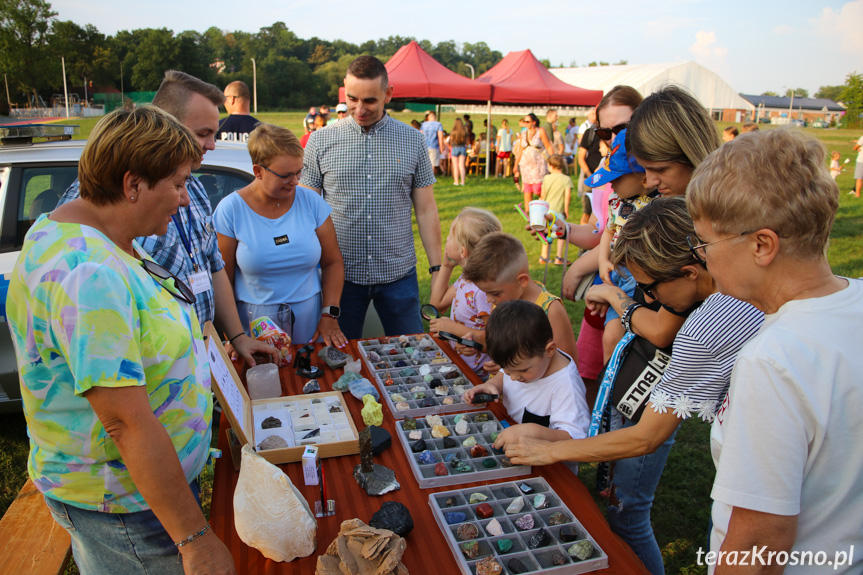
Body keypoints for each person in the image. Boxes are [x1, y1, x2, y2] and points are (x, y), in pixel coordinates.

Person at [8, 105, 238, 575]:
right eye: (177, 184)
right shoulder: (90, 274)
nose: (183, 200)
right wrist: (195, 539)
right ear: (132, 185)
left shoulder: (77, 230)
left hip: (141, 498)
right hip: (128, 509)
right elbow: (125, 423)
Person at [501, 197, 764, 575]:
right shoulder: (744, 278)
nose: (650, 301)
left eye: (650, 290)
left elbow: (646, 437)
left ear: (690, 272)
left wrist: (551, 452)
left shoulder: (704, 328)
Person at [687, 129, 863, 575]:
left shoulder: (772, 360)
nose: (703, 259)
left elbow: (761, 541)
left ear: (762, 245)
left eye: (705, 244)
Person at [56, 70, 277, 366]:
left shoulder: (194, 186)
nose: (212, 144)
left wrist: (236, 336)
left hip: (196, 365)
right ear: (163, 125)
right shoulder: (98, 204)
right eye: (203, 133)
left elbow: (212, 266)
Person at [300, 55, 441, 339]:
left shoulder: (413, 140)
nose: (360, 109)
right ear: (344, 89)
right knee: (341, 356)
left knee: (411, 352)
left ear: (388, 94)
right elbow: (306, 213)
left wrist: (437, 267)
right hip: (341, 277)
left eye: (370, 101)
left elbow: (426, 210)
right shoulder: (320, 141)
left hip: (397, 274)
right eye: (352, 99)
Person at [213, 124, 346, 347]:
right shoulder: (231, 210)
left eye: (298, 172)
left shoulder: (312, 202)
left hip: (310, 322)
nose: (295, 181)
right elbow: (222, 279)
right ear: (258, 171)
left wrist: (329, 315)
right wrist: (234, 335)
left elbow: (333, 263)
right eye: (286, 175)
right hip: (255, 324)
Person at [464, 300, 589, 474]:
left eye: (521, 370)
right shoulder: (523, 358)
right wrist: (491, 385)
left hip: (551, 471)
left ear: (550, 350)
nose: (513, 377)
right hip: (515, 451)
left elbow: (575, 439)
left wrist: (529, 431)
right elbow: (504, 376)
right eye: (507, 369)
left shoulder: (566, 385)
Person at [587, 129, 658, 362]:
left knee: (623, 339)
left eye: (616, 178)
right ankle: (610, 383)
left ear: (645, 178)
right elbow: (608, 231)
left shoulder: (658, 205)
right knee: (611, 337)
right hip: (617, 273)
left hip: (640, 278)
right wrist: (602, 260)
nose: (611, 183)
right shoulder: (616, 200)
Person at [461, 232, 578, 362]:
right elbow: (499, 345)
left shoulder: (551, 310)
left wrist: (511, 368)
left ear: (522, 281)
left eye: (494, 293)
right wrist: (475, 342)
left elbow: (568, 363)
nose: (489, 299)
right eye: (485, 293)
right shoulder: (500, 302)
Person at [428, 207, 502, 376]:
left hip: (479, 376)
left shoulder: (483, 291)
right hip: (460, 365)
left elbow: (495, 339)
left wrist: (452, 327)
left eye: (451, 236)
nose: (447, 238)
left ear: (462, 251)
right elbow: (436, 305)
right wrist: (446, 266)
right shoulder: (466, 279)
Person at [514, 113, 554, 213]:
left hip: (538, 165)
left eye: (527, 121)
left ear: (534, 122)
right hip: (526, 165)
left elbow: (548, 146)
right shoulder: (523, 133)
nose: (525, 123)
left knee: (538, 189)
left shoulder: (540, 131)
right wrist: (516, 165)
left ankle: (542, 209)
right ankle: (529, 212)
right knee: (527, 188)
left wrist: (553, 160)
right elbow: (520, 150)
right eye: (524, 121)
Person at [539, 155, 572, 266]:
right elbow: (567, 196)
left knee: (546, 233)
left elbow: (542, 195)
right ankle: (559, 257)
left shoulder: (546, 178)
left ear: (551, 166)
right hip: (558, 212)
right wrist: (566, 210)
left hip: (546, 211)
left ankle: (544, 256)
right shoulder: (566, 179)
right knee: (561, 233)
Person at [449, 117, 468, 186]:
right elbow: (466, 141)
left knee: (455, 166)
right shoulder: (464, 131)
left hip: (455, 148)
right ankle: (462, 181)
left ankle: (456, 181)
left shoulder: (453, 131)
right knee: (461, 166)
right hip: (462, 148)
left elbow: (450, 140)